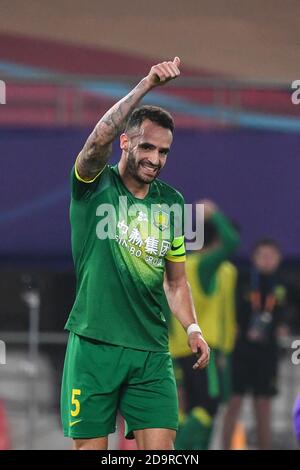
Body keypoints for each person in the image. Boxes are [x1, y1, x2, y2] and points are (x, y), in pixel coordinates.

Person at [60, 57, 210, 451]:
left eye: (163, 152)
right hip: (95, 345)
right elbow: (96, 140)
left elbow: (176, 282)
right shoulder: (94, 186)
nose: (155, 159)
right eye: (146, 146)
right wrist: (145, 85)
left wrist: (192, 329)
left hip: (151, 353)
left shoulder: (173, 204)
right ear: (125, 142)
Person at [169, 200, 240, 449]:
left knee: (194, 410)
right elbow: (232, 242)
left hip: (181, 347)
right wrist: (214, 213)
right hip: (202, 348)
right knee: (207, 407)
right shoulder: (206, 266)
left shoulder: (181, 266)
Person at [222, 238, 288, 450]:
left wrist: (283, 325)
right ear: (254, 258)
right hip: (241, 351)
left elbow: (288, 315)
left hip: (266, 354)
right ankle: (225, 447)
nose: (267, 261)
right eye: (263, 256)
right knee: (234, 404)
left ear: (278, 259)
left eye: (272, 256)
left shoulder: (284, 286)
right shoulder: (241, 281)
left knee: (263, 406)